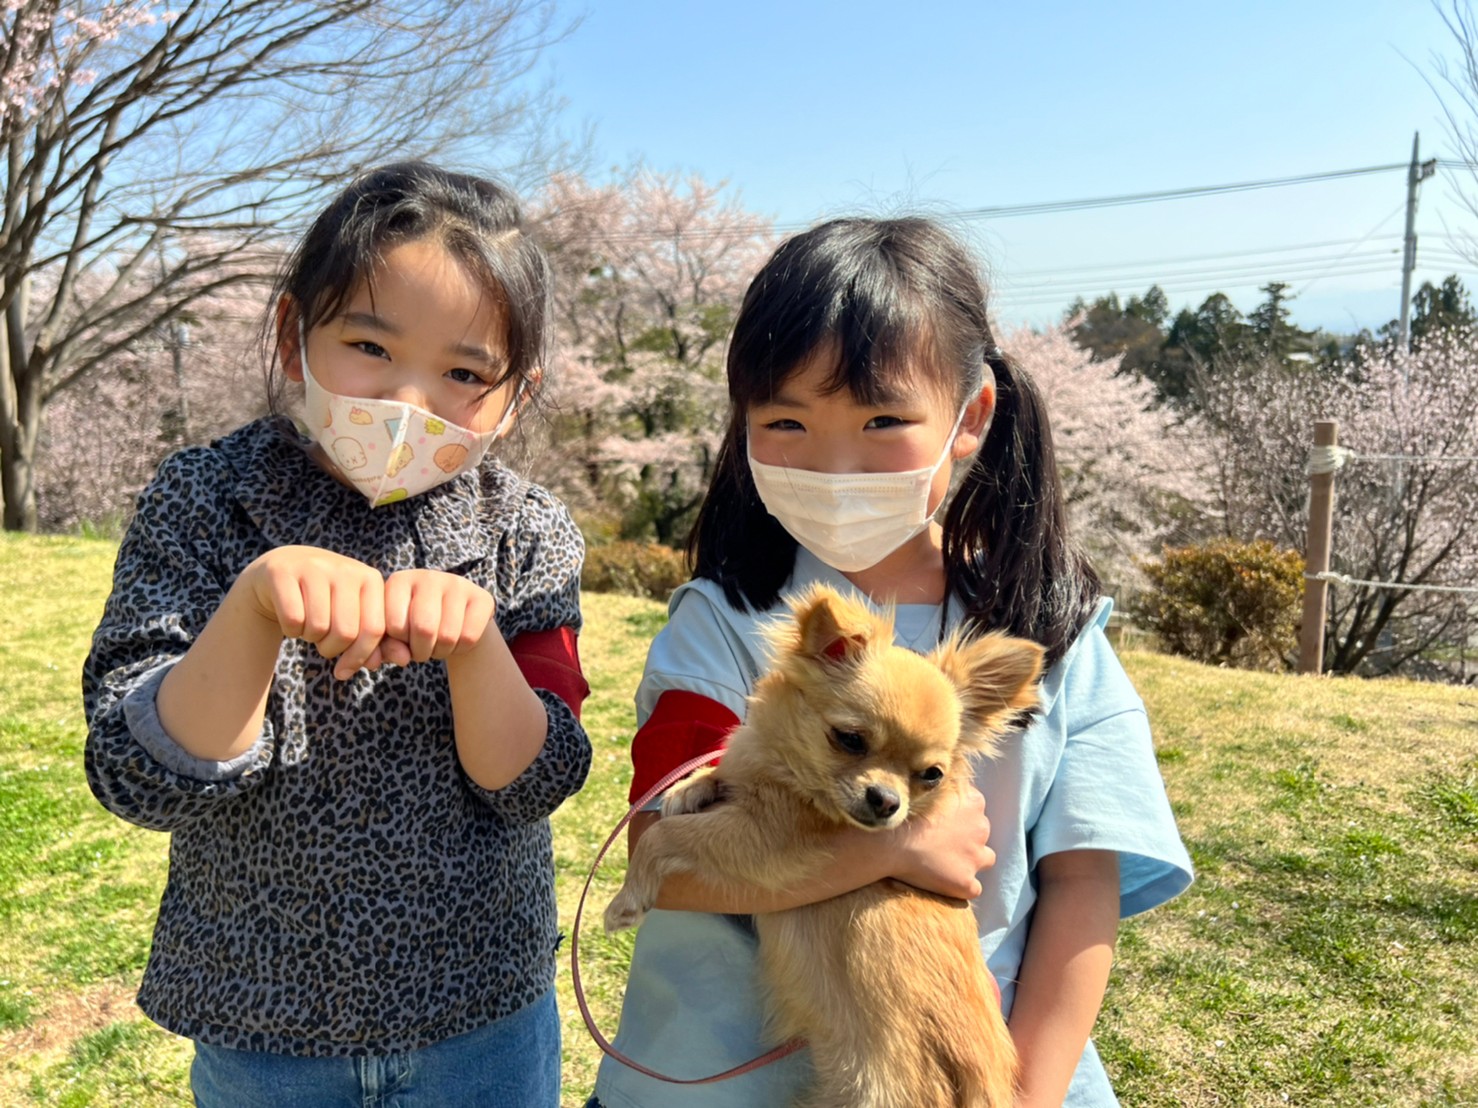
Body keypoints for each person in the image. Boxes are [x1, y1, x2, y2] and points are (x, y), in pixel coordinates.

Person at [587, 217, 1193, 1108]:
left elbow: (1082, 887)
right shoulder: (728, 622)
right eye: (786, 420)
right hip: (703, 1077)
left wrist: (1030, 1098)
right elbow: (666, 857)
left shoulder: (1052, 636)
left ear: (970, 416)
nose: (835, 465)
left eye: (882, 421)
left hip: (960, 1073)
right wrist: (901, 849)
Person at [83, 162, 592, 1108]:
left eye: (464, 372)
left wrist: (479, 649)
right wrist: (251, 609)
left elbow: (538, 781)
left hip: (482, 1017)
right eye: (369, 343)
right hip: (260, 1024)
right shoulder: (203, 501)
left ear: (515, 397)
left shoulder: (528, 533)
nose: (408, 401)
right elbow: (135, 771)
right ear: (293, 334)